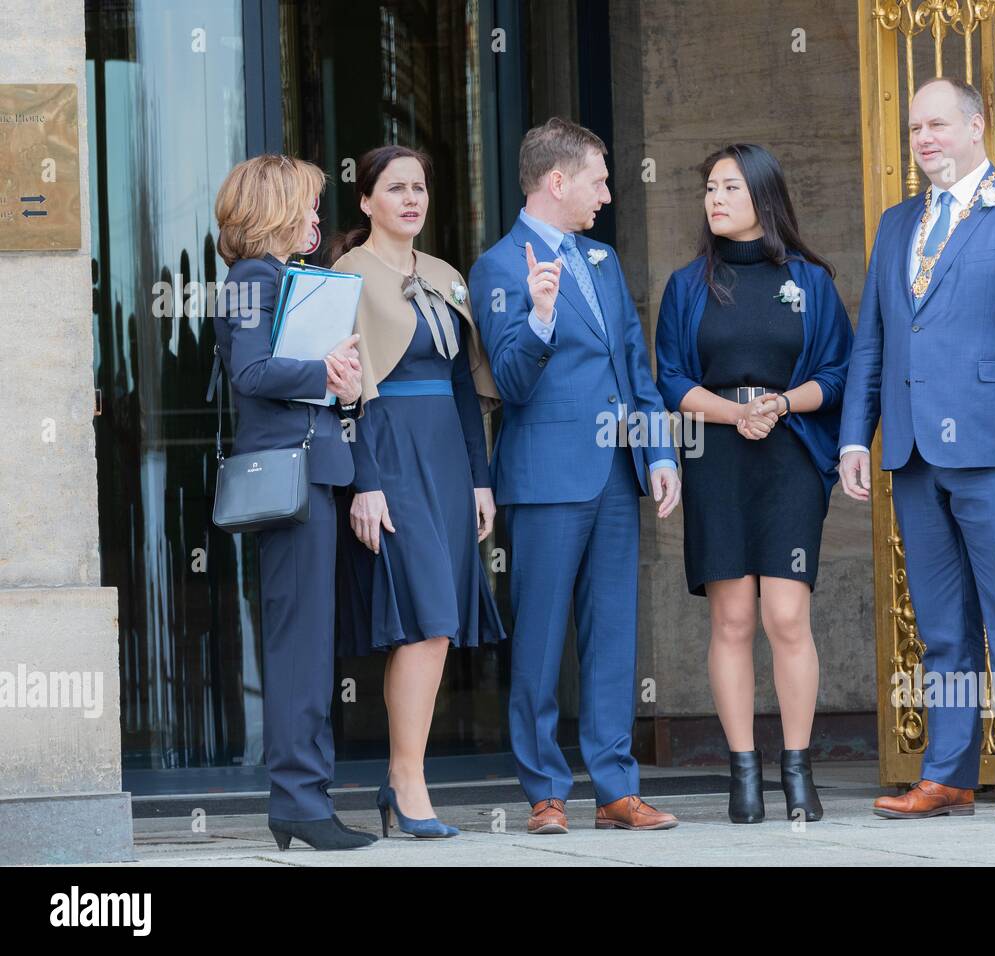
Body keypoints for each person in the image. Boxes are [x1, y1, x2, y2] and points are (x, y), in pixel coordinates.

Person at [838, 76, 995, 823]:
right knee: (942, 626)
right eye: (915, 129)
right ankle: (946, 772)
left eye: (937, 125)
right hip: (914, 455)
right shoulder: (895, 224)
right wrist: (857, 433)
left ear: (977, 126)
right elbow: (873, 343)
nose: (924, 140)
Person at [469, 117, 682, 834]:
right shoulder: (499, 266)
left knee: (613, 634)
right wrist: (538, 317)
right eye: (597, 179)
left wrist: (657, 453)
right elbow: (509, 382)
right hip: (547, 478)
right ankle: (544, 792)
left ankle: (617, 789)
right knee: (538, 639)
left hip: (618, 476)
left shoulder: (604, 261)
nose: (607, 193)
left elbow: (634, 366)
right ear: (556, 182)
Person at [654, 143, 852, 824]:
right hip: (717, 453)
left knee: (786, 615)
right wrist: (735, 412)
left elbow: (837, 374)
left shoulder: (810, 281)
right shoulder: (687, 285)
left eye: (730, 188)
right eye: (709, 188)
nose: (714, 199)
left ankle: (797, 770)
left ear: (763, 197)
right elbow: (672, 379)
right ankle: (743, 776)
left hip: (789, 452)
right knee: (732, 618)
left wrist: (779, 406)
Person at [330, 146, 505, 839]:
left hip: (445, 456)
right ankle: (407, 779)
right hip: (389, 449)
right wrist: (363, 484)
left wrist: (480, 479)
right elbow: (345, 392)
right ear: (367, 201)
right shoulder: (347, 273)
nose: (411, 198)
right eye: (395, 188)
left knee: (439, 623)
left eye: (420, 187)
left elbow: (464, 386)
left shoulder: (445, 276)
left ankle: (405, 778)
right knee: (428, 619)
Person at [212, 154, 371, 850]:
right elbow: (250, 371)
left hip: (309, 477)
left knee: (306, 644)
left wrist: (341, 383)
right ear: (275, 207)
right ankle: (300, 802)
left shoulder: (278, 279)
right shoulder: (253, 278)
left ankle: (303, 799)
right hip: (292, 483)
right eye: (306, 204)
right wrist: (324, 372)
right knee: (300, 647)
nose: (315, 216)